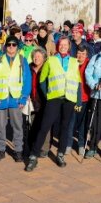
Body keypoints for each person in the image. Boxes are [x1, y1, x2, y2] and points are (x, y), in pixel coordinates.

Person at [25, 37, 81, 171]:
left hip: (69, 99)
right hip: (54, 98)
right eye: (61, 44)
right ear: (57, 46)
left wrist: (78, 100)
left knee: (65, 127)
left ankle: (60, 154)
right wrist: (47, 95)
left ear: (69, 46)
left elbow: (78, 82)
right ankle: (33, 156)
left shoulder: (74, 62)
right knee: (44, 127)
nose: (63, 47)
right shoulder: (50, 60)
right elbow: (42, 80)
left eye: (65, 45)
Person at [0, 37, 32, 162]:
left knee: (17, 126)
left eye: (14, 45)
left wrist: (23, 98)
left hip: (16, 99)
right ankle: (0, 150)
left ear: (17, 47)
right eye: (9, 45)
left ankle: (18, 151)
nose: (11, 47)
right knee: (0, 126)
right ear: (5, 46)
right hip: (0, 99)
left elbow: (27, 80)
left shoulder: (22, 61)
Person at [71, 44, 92, 155]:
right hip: (72, 97)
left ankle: (81, 144)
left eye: (83, 54)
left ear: (86, 55)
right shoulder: (73, 63)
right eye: (79, 53)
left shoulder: (89, 64)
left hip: (85, 97)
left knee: (83, 123)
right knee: (71, 122)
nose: (80, 56)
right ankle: (68, 143)